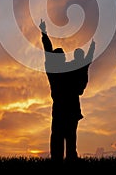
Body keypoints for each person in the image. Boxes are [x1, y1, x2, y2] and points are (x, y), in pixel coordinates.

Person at [39, 19, 95, 162]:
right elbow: (48, 50)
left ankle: (62, 159)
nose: (65, 57)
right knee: (67, 139)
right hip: (67, 110)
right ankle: (66, 159)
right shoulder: (59, 70)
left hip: (63, 110)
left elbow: (84, 63)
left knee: (64, 140)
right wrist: (44, 34)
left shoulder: (59, 70)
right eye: (63, 56)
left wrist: (44, 33)